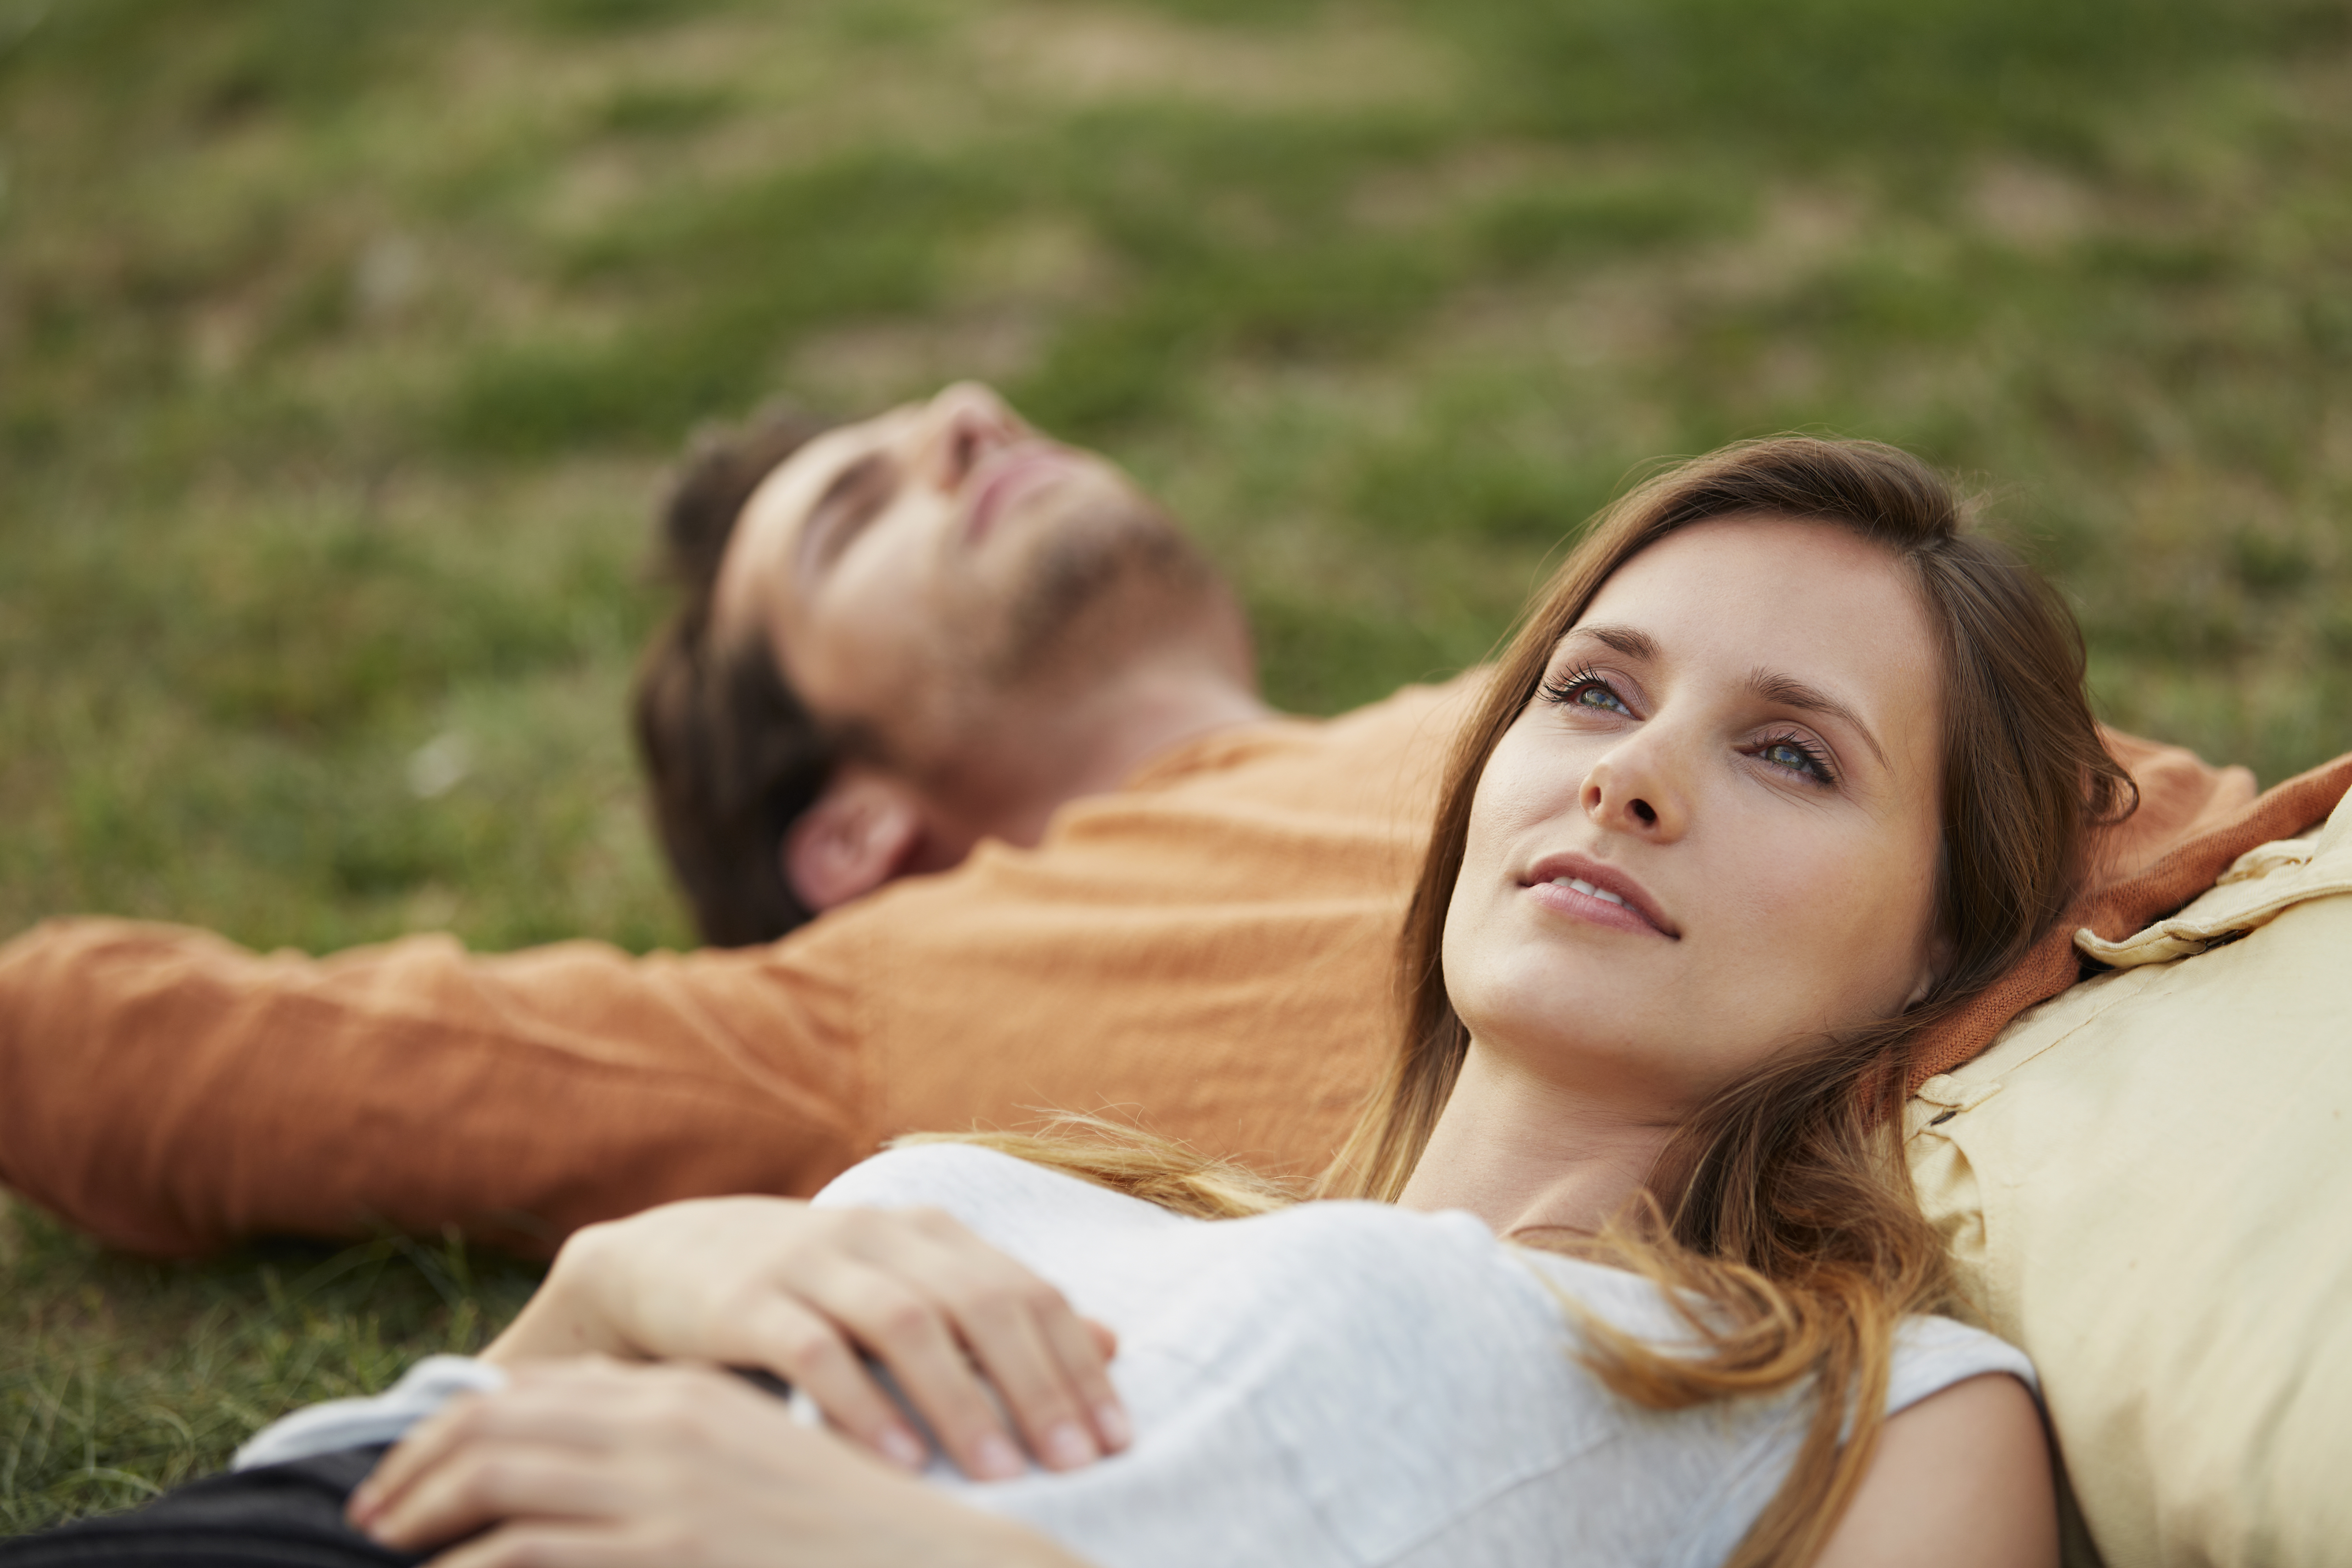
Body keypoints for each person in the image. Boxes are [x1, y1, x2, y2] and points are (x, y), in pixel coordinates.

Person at [0, 435, 2099, 1568]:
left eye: (1790, 751)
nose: (1628, 769)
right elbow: (329, 1208)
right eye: (1591, 691)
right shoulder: (985, 1100)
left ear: (1944, 933)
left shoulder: (1870, 1400)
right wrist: (634, 1279)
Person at [0, 388, 2256, 1265]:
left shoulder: (1601, 696)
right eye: (861, 511)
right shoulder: (856, 1006)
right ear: (852, 829)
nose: (965, 416)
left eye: (936, 416)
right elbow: (204, 1060)